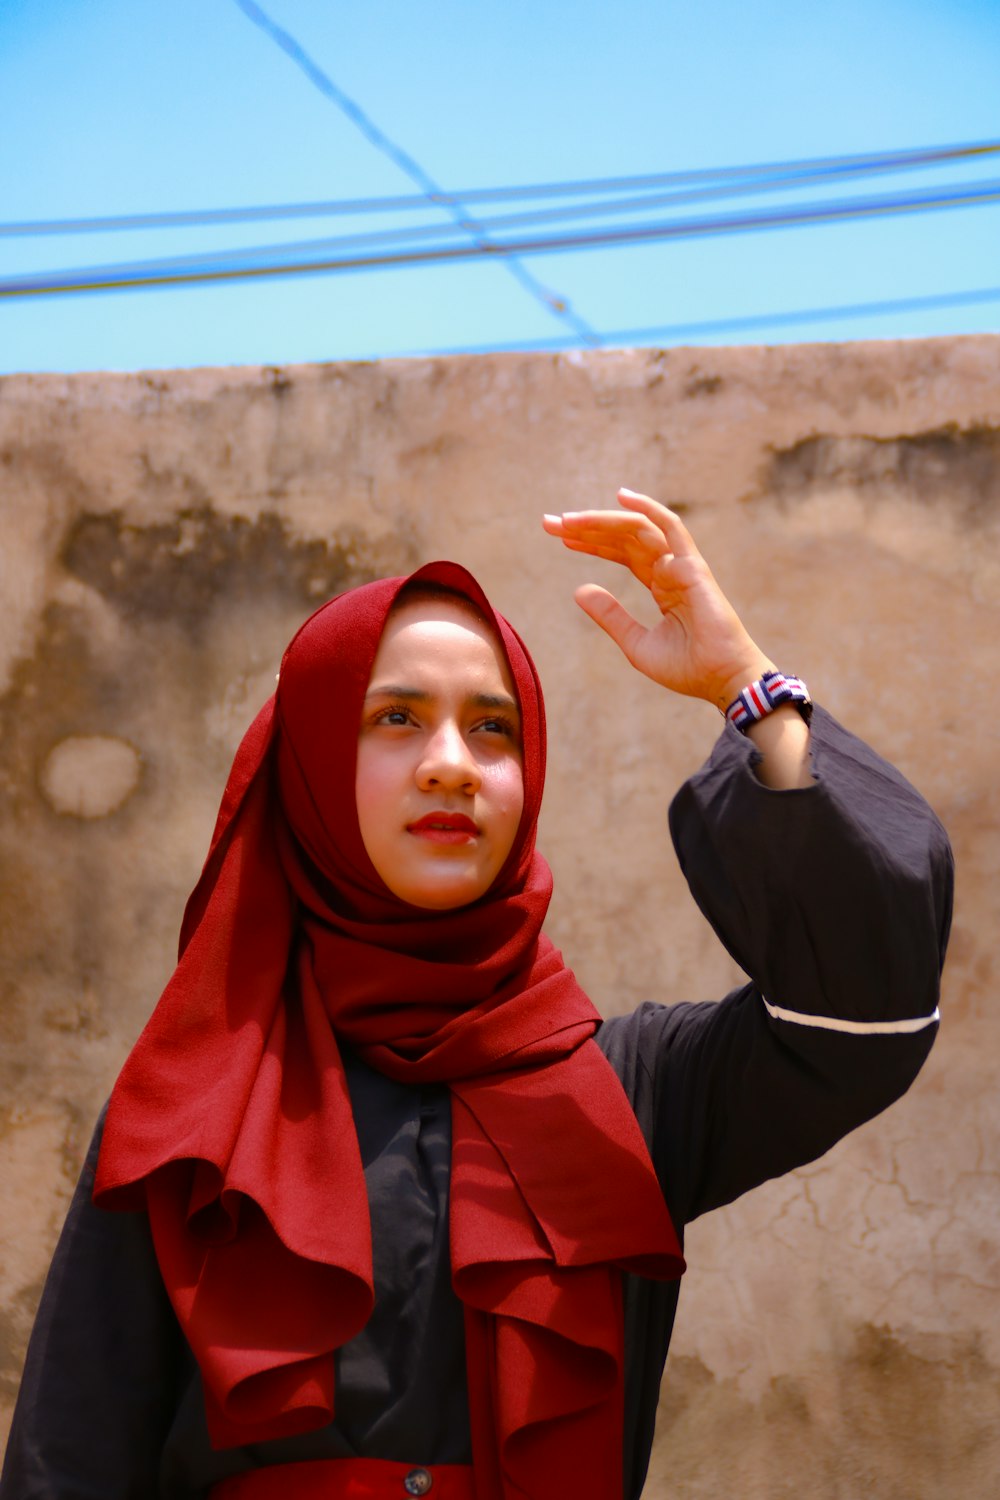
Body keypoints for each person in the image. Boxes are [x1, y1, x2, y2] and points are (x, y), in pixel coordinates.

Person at [1, 491, 952, 1500]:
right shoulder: (192, 1106)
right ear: (314, 764)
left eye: (492, 728)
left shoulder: (631, 1093)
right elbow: (71, 1461)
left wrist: (747, 689)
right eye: (396, 717)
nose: (450, 766)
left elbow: (864, 1014)